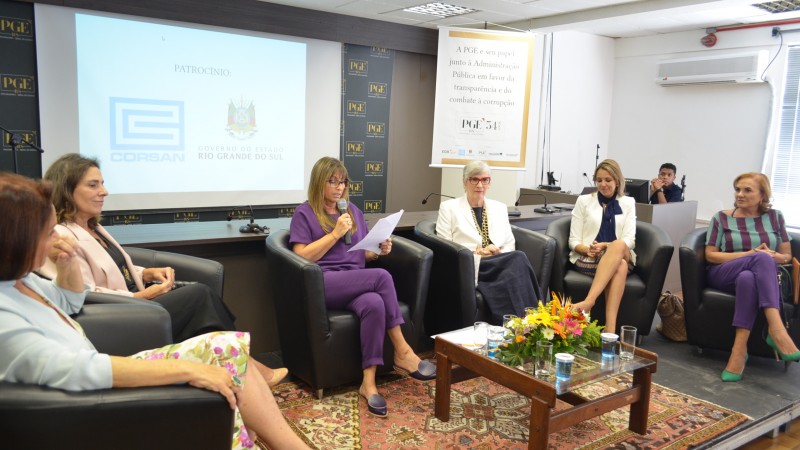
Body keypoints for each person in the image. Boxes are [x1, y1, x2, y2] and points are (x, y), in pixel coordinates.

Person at [0, 173, 309, 450]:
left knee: (224, 346)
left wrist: (67, 263)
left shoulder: (22, 281)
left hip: (94, 375)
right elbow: (80, 370)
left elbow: (69, 302)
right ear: (19, 238)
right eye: (49, 231)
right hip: (87, 402)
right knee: (210, 329)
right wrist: (189, 369)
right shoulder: (4, 314)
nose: (58, 236)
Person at [40, 153, 287, 387]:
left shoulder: (92, 227)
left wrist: (146, 273)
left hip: (137, 303)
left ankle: (240, 371)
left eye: (102, 184)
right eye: (93, 185)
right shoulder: (61, 236)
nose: (104, 191)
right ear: (67, 190)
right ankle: (248, 367)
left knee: (203, 305)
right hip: (122, 314)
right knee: (200, 296)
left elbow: (115, 268)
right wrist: (141, 296)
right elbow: (83, 292)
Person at [289, 156, 434, 417]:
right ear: (319, 183)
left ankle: (368, 384)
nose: (339, 187)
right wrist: (334, 233)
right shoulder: (305, 212)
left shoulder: (351, 211)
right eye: (332, 181)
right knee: (381, 278)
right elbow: (301, 257)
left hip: (354, 279)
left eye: (342, 182)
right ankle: (403, 351)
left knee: (375, 304)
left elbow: (359, 253)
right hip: (322, 282)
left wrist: (378, 250)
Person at [705, 172, 800, 382]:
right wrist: (750, 254)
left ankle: (738, 351)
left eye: (747, 190)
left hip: (759, 277)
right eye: (738, 189)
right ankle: (776, 330)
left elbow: (787, 256)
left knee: (748, 278)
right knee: (760, 259)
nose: (740, 194)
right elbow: (710, 255)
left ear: (762, 195)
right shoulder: (721, 218)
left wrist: (773, 256)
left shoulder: (776, 217)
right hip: (723, 272)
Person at [435, 160, 543, 324]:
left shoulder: (499, 207)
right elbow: (445, 247)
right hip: (473, 264)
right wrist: (477, 253)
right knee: (518, 259)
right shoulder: (449, 208)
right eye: (474, 179)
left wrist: (496, 252)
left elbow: (509, 243)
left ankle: (521, 323)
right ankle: (533, 321)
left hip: (499, 260)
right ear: (465, 182)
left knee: (517, 258)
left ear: (489, 182)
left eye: (485, 180)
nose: (480, 185)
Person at [569, 159, 636, 334]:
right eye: (599, 180)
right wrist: (587, 249)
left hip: (620, 252)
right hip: (590, 257)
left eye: (608, 180)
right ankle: (610, 331)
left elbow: (630, 240)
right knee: (619, 265)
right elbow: (573, 240)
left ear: (617, 181)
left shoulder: (628, 203)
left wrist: (606, 245)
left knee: (619, 245)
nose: (603, 184)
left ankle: (589, 301)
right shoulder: (583, 201)